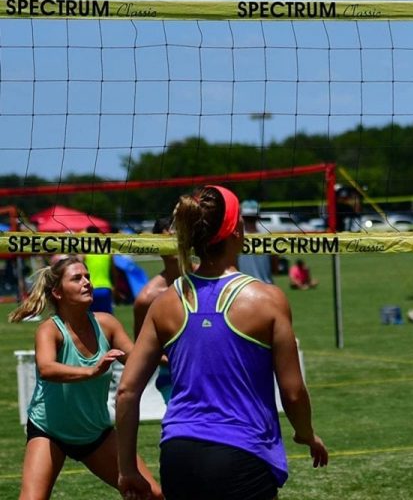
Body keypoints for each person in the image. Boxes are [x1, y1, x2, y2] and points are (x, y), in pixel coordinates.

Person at [116, 185, 328, 500]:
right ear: (237, 231)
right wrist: (306, 434)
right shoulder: (267, 300)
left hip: (178, 452)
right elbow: (293, 393)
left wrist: (127, 469)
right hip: (242, 452)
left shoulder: (165, 301)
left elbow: (126, 391)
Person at [8, 256, 162, 500]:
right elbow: (47, 369)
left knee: (152, 495)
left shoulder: (107, 324)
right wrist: (92, 371)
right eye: (77, 278)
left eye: (88, 277)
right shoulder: (49, 329)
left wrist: (179, 356)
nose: (87, 282)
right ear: (58, 292)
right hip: (50, 431)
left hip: (95, 433)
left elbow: (140, 359)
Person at [132, 216, 180, 403]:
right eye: (167, 240)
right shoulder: (147, 298)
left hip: (213, 370)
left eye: (177, 239)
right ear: (156, 246)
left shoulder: (208, 279)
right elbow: (141, 350)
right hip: (173, 376)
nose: (173, 245)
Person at [237, 200, 274, 285]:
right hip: (266, 287)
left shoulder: (236, 238)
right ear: (258, 216)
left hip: (244, 289)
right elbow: (275, 268)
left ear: (242, 216)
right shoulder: (268, 236)